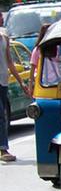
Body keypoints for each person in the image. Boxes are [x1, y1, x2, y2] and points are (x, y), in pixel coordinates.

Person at [1, 19, 32, 162]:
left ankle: (2, 148)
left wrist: (21, 83)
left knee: (2, 116)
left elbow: (10, 63)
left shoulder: (4, 38)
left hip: (3, 82)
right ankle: (3, 148)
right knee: (1, 115)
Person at [28, 24, 52, 94]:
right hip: (42, 83)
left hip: (54, 81)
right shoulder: (37, 50)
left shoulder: (56, 48)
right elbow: (32, 69)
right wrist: (30, 86)